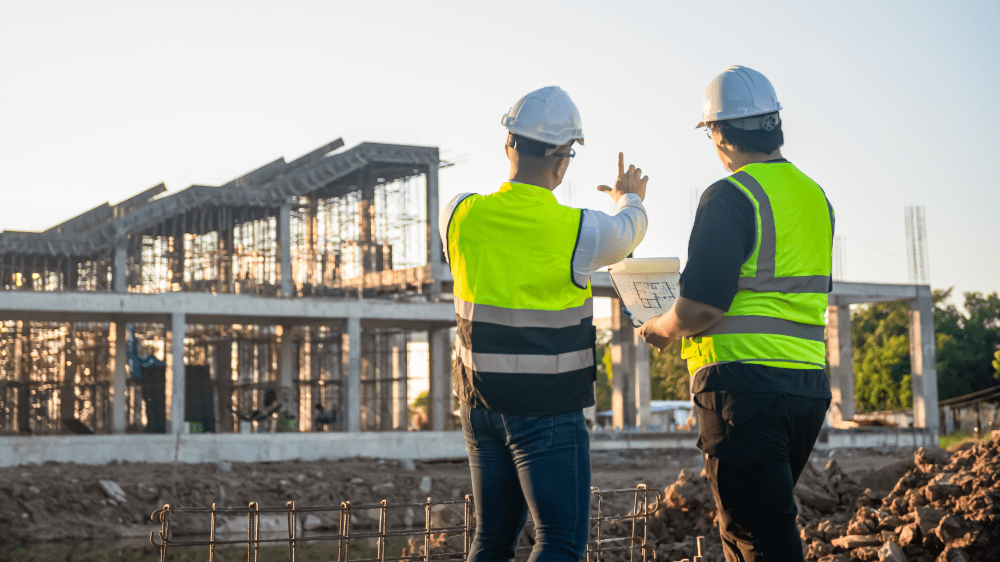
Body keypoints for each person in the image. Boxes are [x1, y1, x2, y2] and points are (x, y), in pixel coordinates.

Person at [441, 86, 648, 562]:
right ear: (562, 159)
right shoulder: (582, 231)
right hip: (547, 409)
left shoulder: (458, 213)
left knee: (491, 540)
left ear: (508, 145)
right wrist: (629, 197)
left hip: (479, 405)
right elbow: (631, 229)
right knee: (559, 541)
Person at [639, 66, 834, 561]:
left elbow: (702, 304)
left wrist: (661, 327)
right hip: (807, 387)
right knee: (765, 526)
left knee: (755, 539)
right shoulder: (816, 198)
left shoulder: (731, 195)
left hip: (743, 389)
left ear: (720, 134)